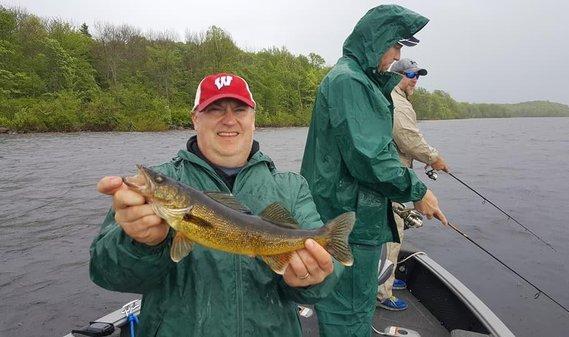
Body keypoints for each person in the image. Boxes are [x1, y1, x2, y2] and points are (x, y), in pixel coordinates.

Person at [90, 73, 343, 337]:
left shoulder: (291, 187)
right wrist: (141, 244)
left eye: (240, 109)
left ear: (253, 118)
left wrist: (312, 279)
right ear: (195, 119)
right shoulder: (151, 194)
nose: (229, 119)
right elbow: (105, 273)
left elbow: (327, 278)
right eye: (215, 109)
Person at [300, 5, 448, 337]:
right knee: (347, 310)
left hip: (353, 219)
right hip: (347, 221)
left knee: (356, 306)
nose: (397, 55)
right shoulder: (350, 81)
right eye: (395, 45)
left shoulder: (358, 80)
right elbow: (370, 159)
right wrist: (418, 191)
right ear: (376, 41)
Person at [376, 58, 450, 311]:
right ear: (397, 76)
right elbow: (408, 139)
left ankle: (388, 276)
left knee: (392, 231)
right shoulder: (397, 101)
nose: (415, 79)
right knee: (391, 233)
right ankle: (381, 292)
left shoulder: (393, 97)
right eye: (410, 74)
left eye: (418, 75)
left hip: (390, 179)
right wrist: (434, 158)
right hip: (391, 179)